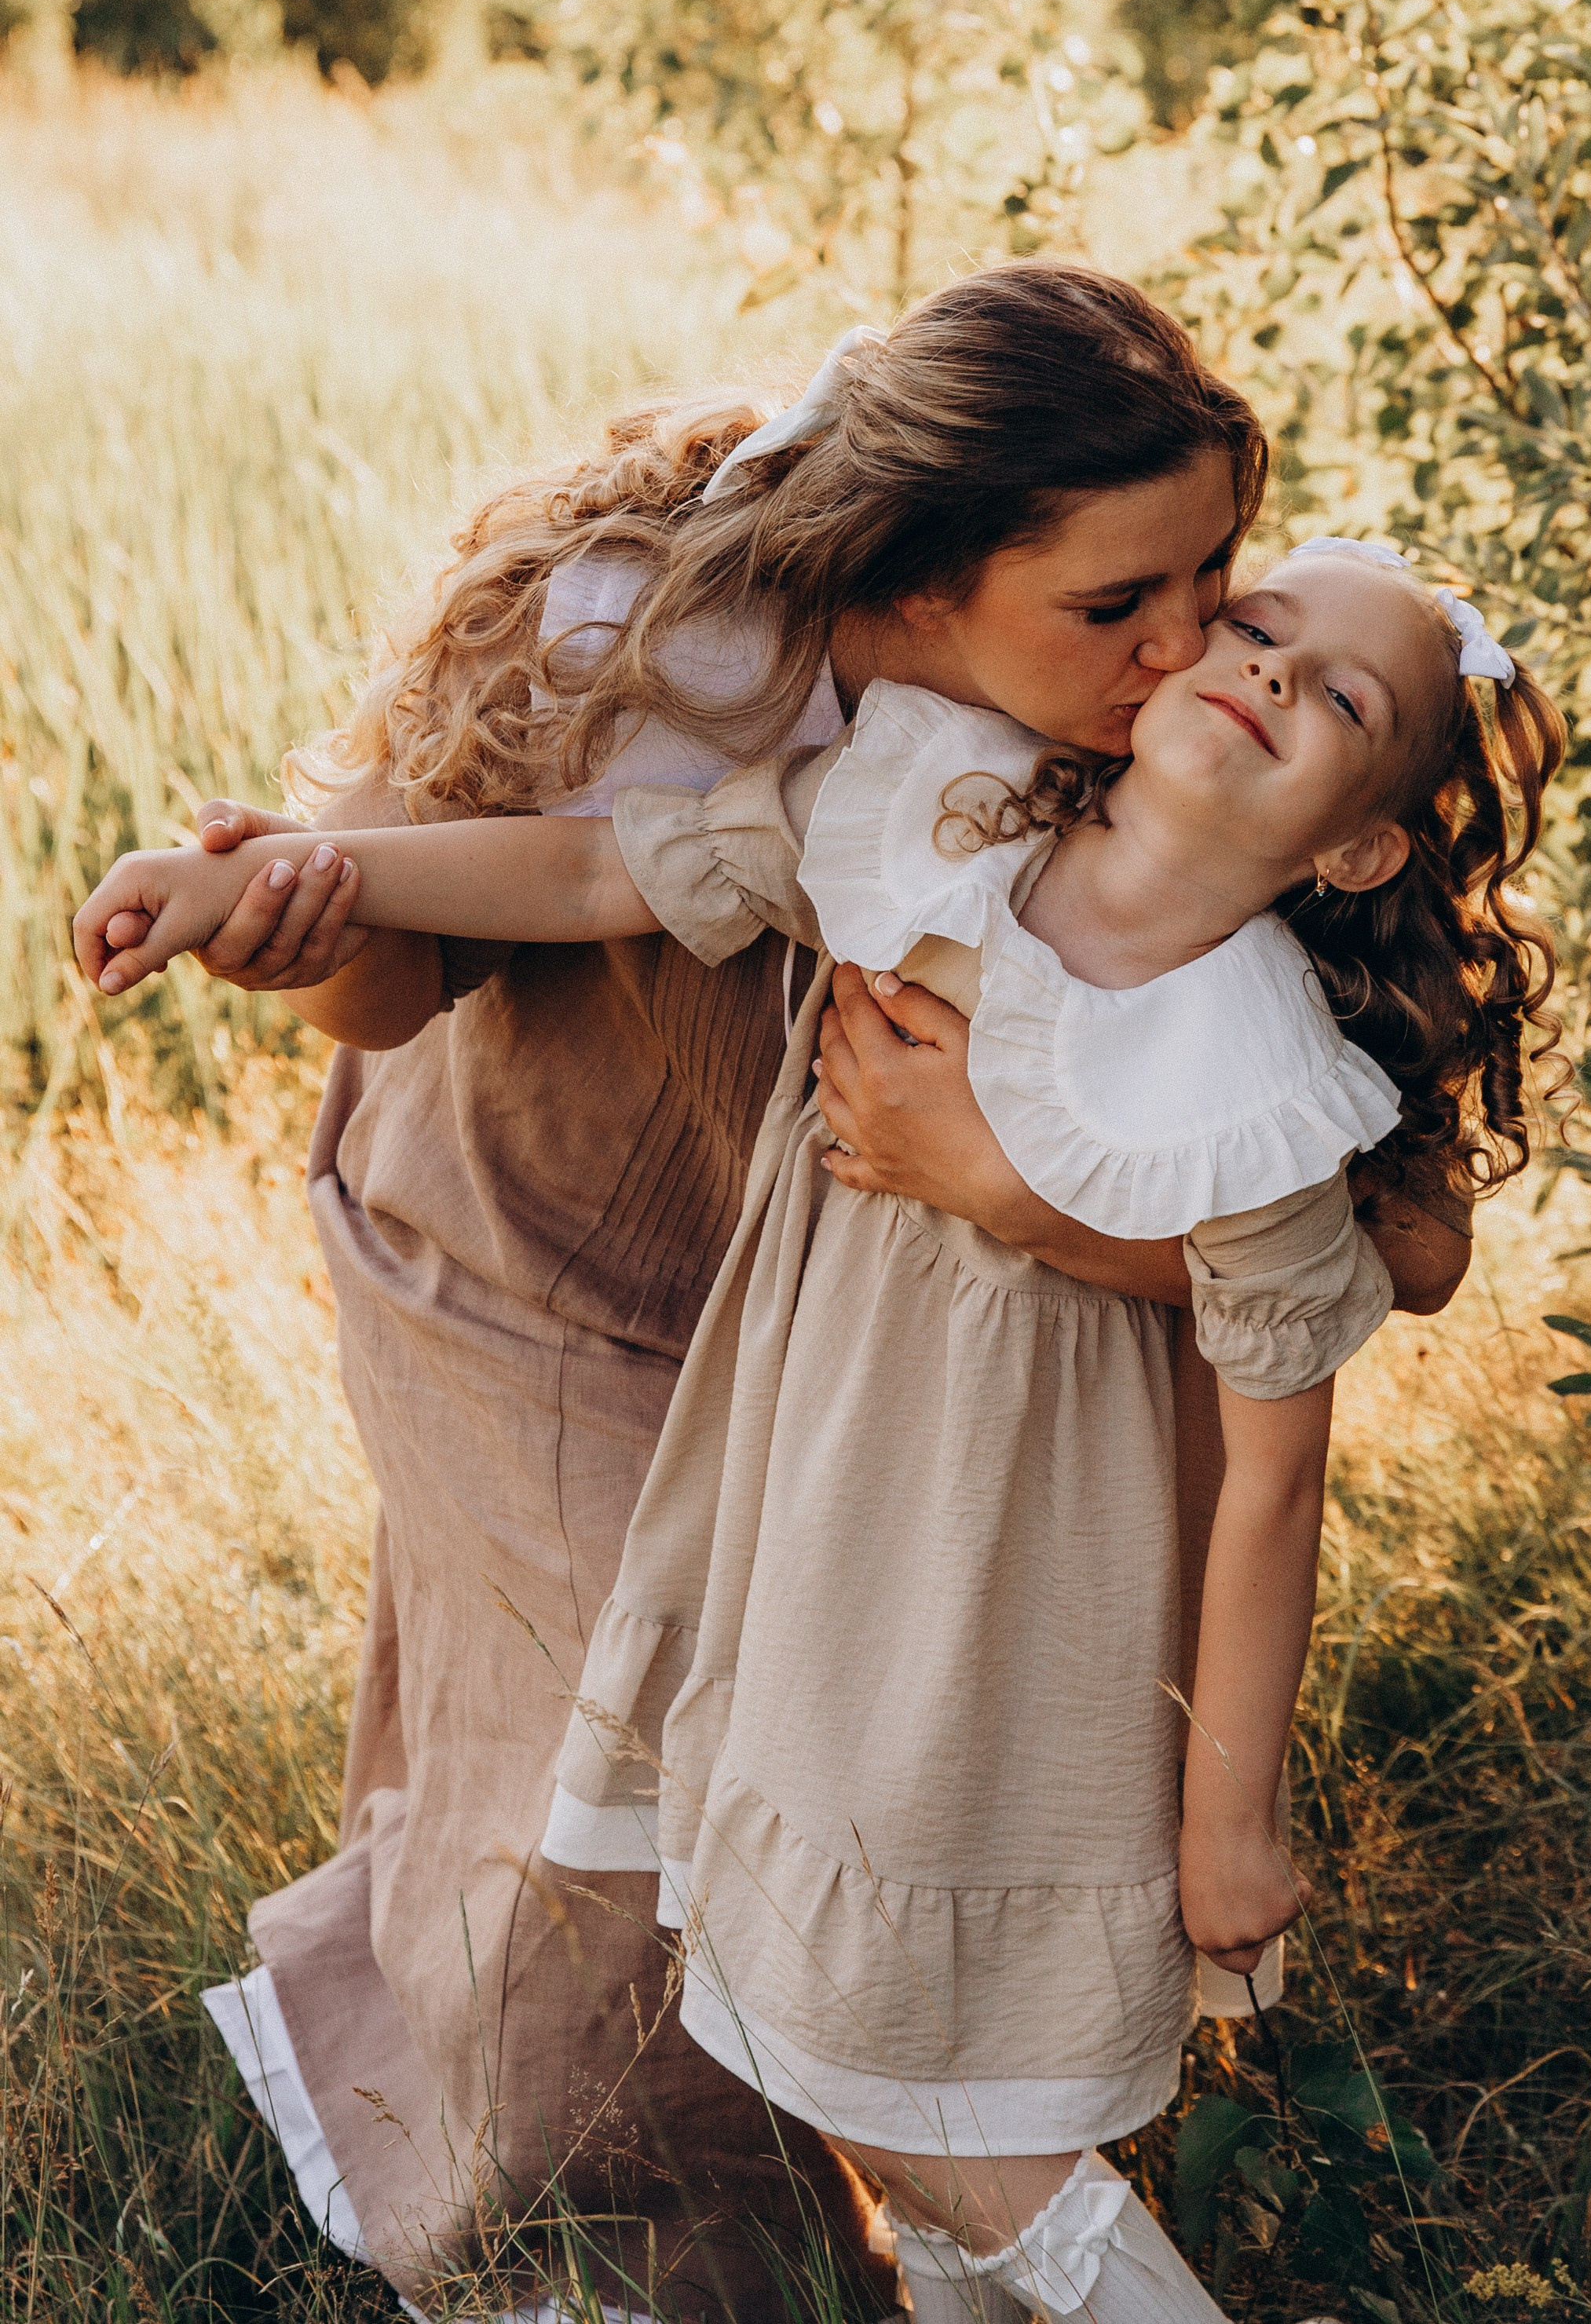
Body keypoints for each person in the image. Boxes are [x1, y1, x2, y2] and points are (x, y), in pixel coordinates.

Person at [78, 269, 1472, 2319]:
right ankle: (656, 2265)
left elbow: (1378, 1246)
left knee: (819, 1821)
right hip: (531, 1271)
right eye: (1129, 607)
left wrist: (1012, 1195)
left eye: (1221, 586)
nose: (1187, 646)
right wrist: (292, 910)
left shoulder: (1122, 762)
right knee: (616, 1856)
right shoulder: (640, 626)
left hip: (825, 1335)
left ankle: (921, 2216)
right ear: (913, 578)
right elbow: (453, 930)